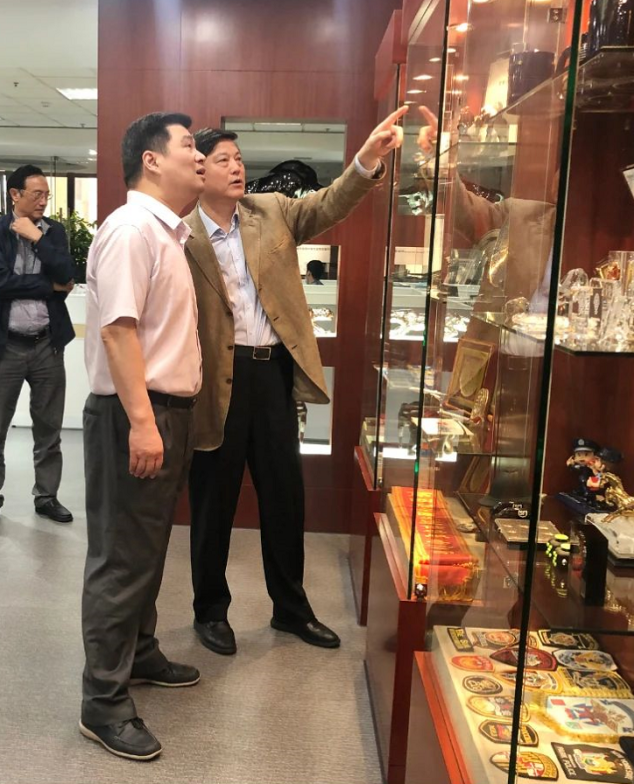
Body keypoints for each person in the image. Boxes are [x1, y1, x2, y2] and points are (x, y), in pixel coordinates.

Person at [185, 108, 407, 656]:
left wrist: (367, 160)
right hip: (216, 381)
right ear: (199, 170)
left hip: (272, 374)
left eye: (239, 158)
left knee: (285, 495)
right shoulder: (179, 232)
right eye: (223, 160)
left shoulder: (271, 210)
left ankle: (291, 608)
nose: (237, 167)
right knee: (213, 500)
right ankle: (210, 611)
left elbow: (329, 203)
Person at [78, 112, 207, 761]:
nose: (200, 156)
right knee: (122, 558)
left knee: (147, 548)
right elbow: (117, 330)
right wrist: (142, 422)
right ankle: (102, 701)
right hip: (137, 412)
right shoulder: (131, 229)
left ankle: (140, 652)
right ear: (151, 160)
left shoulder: (166, 232)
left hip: (163, 411)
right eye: (189, 146)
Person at [0, 165, 76, 530]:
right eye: (37, 194)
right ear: (15, 195)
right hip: (6, 346)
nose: (43, 201)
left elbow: (67, 274)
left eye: (46, 195)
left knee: (49, 430)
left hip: (47, 344)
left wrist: (37, 238)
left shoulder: (54, 232)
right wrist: (49, 287)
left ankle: (46, 496)